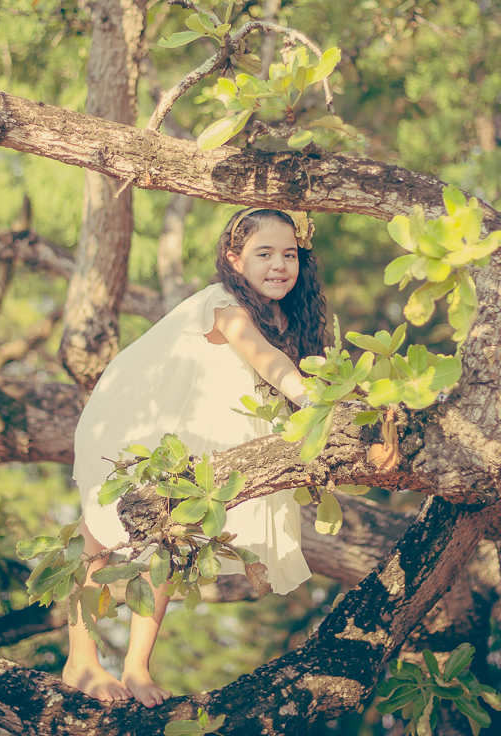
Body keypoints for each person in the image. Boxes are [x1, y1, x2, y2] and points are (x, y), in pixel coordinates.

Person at [63, 207, 327, 706]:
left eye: (289, 254)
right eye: (263, 254)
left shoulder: (289, 315)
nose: (279, 265)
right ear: (233, 258)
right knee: (98, 533)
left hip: (205, 436)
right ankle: (81, 660)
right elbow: (263, 358)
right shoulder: (224, 303)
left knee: (172, 543)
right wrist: (312, 397)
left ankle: (137, 666)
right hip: (149, 421)